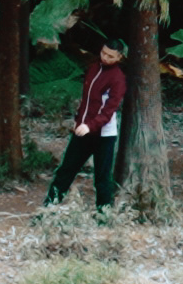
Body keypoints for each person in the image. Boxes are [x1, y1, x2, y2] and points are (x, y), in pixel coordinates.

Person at [44, 42, 127, 212]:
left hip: (104, 135)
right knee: (67, 169)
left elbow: (109, 110)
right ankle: (50, 205)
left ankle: (104, 213)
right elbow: (86, 100)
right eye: (103, 53)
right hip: (83, 130)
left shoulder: (118, 78)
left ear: (119, 57)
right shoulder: (93, 68)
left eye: (110, 56)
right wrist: (78, 119)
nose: (105, 57)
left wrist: (90, 125)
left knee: (102, 177)